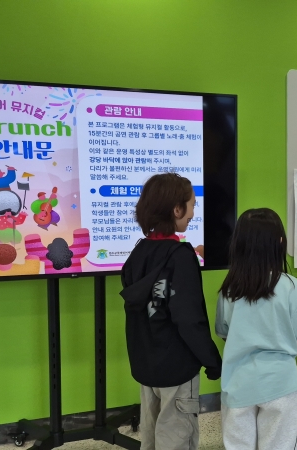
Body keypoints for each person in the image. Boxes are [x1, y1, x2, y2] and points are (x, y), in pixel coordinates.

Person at [120, 173, 222, 450]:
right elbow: (188, 318)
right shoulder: (181, 256)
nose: (192, 213)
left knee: (151, 436)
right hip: (177, 367)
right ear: (176, 209)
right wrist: (212, 359)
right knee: (177, 437)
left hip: (145, 363)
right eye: (190, 205)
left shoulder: (138, 251)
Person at [215, 208, 297, 450]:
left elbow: (225, 333)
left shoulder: (229, 289)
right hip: (280, 385)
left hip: (237, 385)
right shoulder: (292, 287)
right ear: (279, 242)